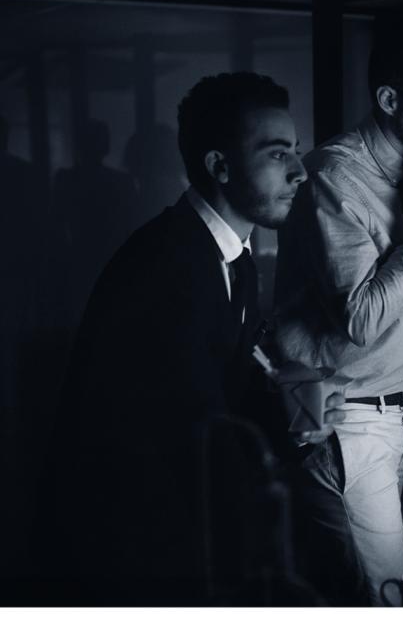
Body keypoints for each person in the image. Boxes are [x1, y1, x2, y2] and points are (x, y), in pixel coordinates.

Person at [33, 72, 309, 605]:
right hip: (126, 552)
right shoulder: (164, 273)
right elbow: (184, 436)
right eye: (278, 154)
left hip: (173, 529)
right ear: (219, 167)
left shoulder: (237, 258)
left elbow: (221, 390)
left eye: (296, 151)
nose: (300, 170)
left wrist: (294, 411)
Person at [272, 20, 403, 607]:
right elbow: (361, 320)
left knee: (369, 587)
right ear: (389, 99)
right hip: (345, 417)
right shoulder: (333, 176)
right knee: (385, 597)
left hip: (394, 408)